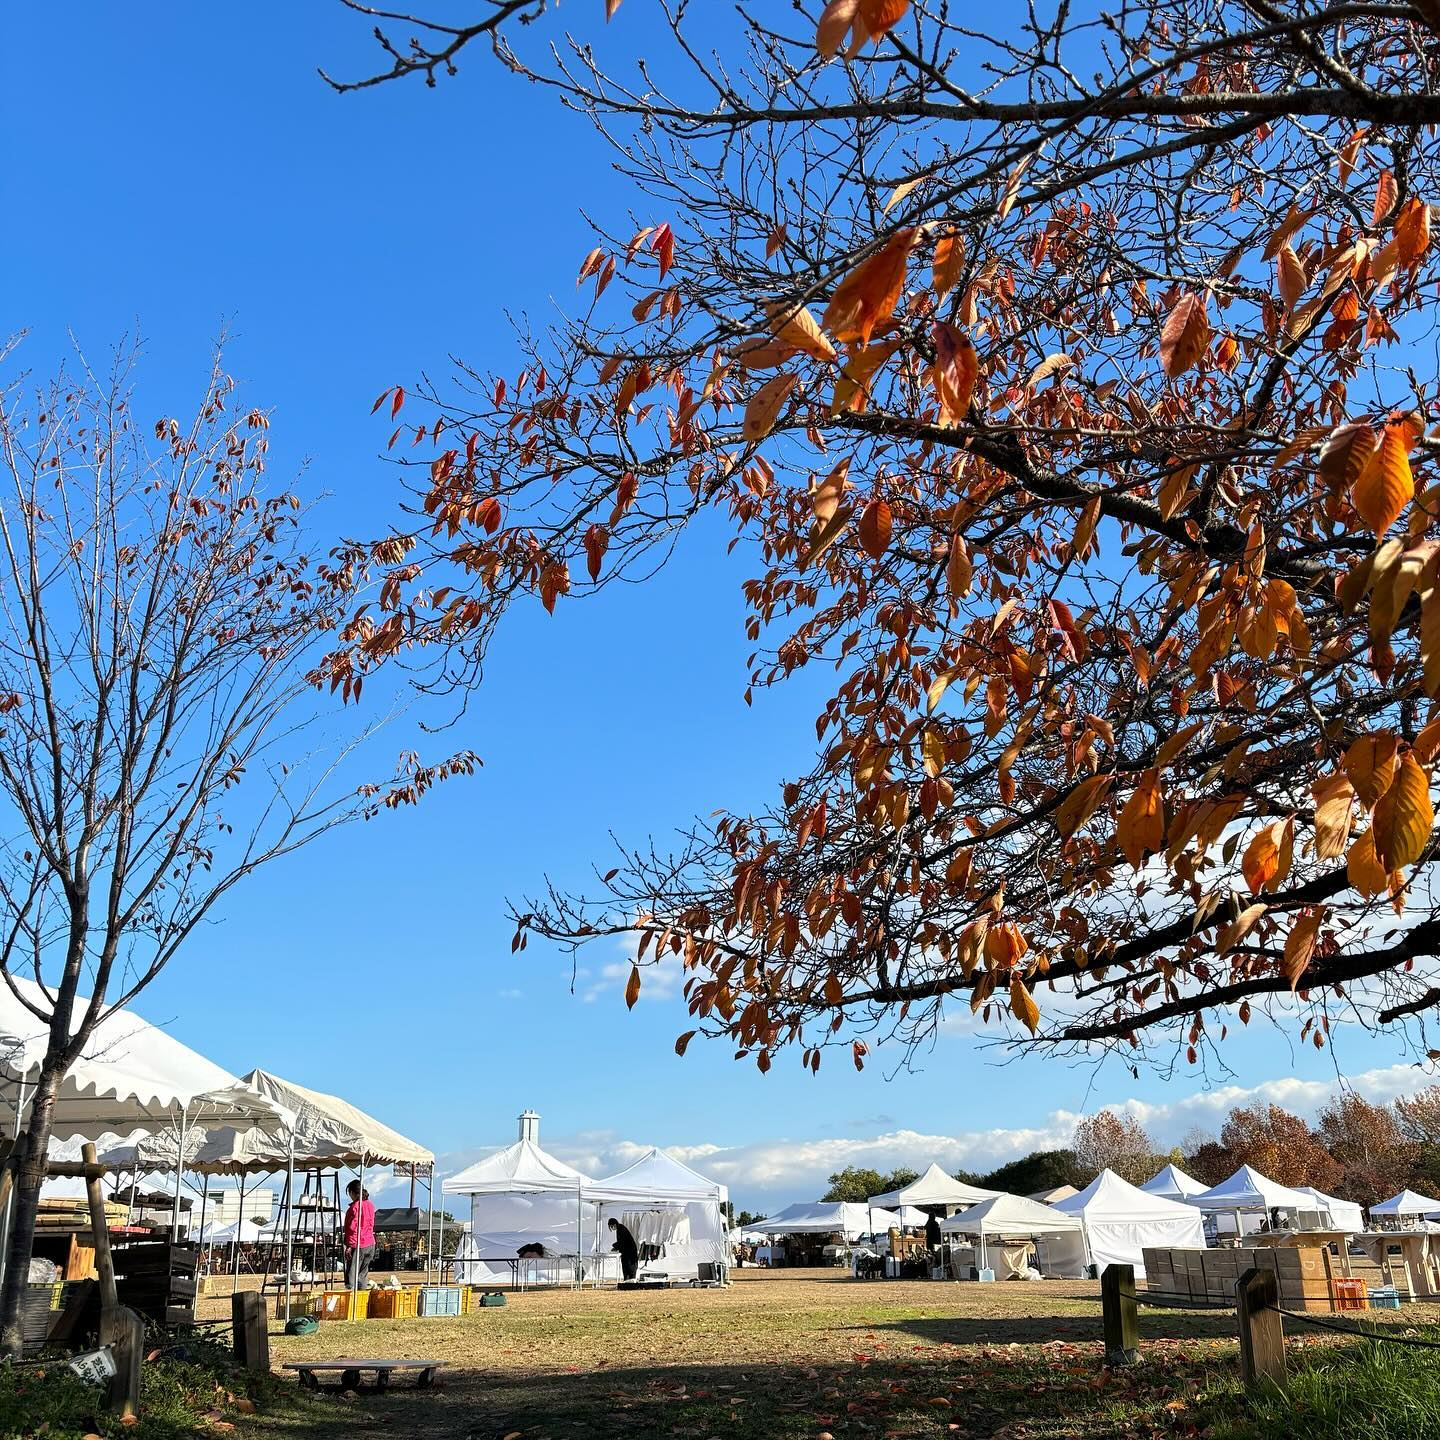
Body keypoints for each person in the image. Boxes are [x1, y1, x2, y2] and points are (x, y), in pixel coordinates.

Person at [343, 1180, 376, 1290]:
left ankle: (350, 1300)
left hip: (358, 1244)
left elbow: (352, 1228)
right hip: (370, 1243)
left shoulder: (354, 1207)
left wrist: (349, 1246)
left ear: (352, 1192)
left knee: (351, 1276)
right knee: (362, 1275)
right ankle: (361, 1302)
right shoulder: (370, 1205)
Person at [608, 1216, 639, 1281]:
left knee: (629, 1268)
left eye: (611, 1226)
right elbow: (622, 1242)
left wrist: (615, 1246)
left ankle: (630, 1282)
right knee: (627, 1267)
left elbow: (623, 1242)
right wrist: (616, 1246)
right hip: (628, 1252)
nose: (612, 1228)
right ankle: (628, 1281)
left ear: (614, 1224)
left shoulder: (621, 1229)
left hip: (630, 1252)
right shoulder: (620, 1228)